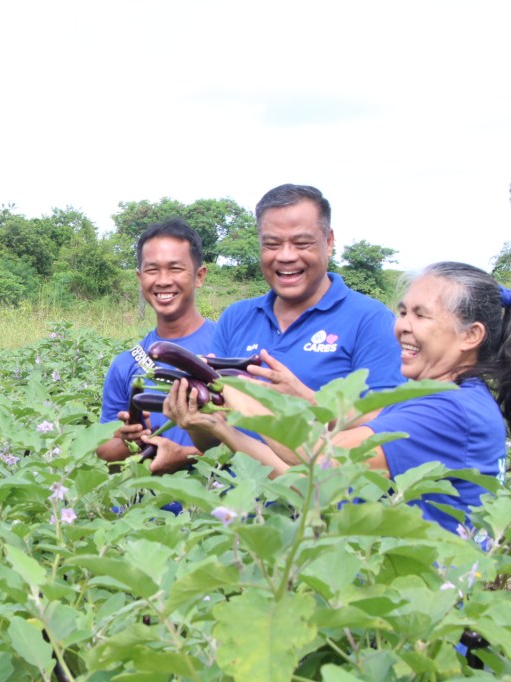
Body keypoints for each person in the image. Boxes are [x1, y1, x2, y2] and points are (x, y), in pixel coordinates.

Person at [163, 262, 511, 534]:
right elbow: (302, 485)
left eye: (421, 315)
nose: (402, 326)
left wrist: (238, 391)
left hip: (426, 607)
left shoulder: (449, 410)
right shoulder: (434, 397)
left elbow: (316, 461)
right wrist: (221, 428)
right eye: (403, 312)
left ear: (471, 336)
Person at [210, 184, 404, 401]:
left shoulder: (371, 320)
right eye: (272, 244)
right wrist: (195, 416)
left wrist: (306, 399)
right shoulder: (235, 317)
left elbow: (389, 423)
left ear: (328, 242)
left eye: (301, 243)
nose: (286, 256)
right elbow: (208, 433)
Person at [96, 218, 215, 474]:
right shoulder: (126, 363)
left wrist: (186, 456)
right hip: (142, 509)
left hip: (212, 507)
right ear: (140, 278)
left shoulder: (227, 348)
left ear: (199, 276)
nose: (163, 281)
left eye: (175, 269)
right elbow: (105, 454)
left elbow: (255, 442)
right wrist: (128, 440)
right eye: (152, 270)